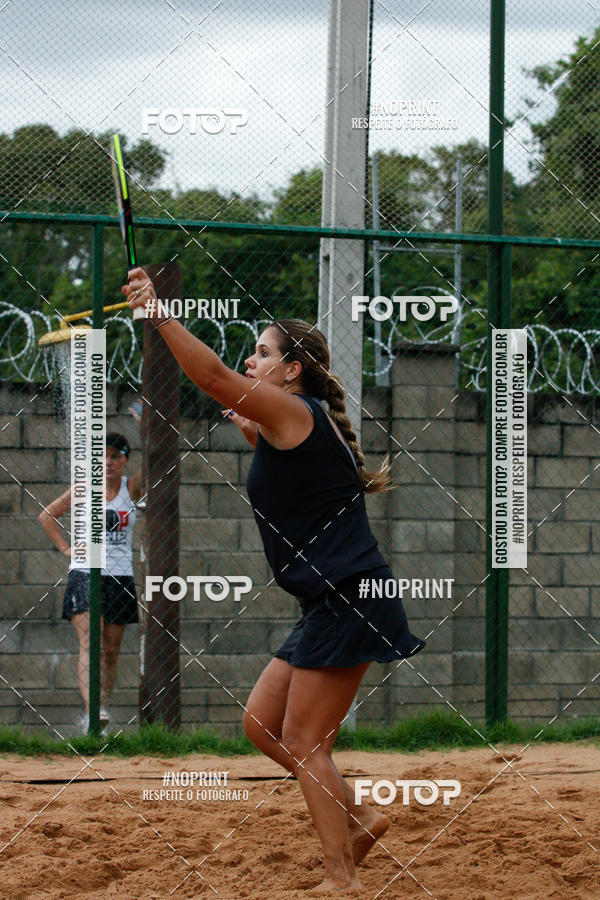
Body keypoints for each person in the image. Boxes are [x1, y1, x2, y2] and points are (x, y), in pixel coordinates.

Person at [124, 269, 426, 893]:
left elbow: (211, 377)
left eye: (262, 352)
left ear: (292, 371)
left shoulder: (294, 413)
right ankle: (362, 815)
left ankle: (341, 877)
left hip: (349, 599)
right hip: (327, 601)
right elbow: (226, 393)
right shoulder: (285, 422)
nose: (249, 358)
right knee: (262, 726)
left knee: (303, 739)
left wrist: (161, 314)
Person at [38, 429, 142, 731]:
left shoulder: (131, 488)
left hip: (120, 575)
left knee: (110, 649)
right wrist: (67, 549)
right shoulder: (85, 488)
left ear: (124, 460)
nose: (108, 462)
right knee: (90, 641)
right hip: (85, 572)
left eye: (115, 456)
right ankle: (93, 710)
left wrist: (146, 423)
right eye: (102, 457)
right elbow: (47, 515)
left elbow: (153, 464)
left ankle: (101, 710)